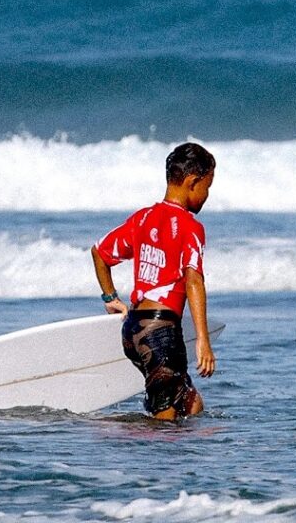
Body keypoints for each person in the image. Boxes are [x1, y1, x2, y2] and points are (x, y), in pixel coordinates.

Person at [91, 142, 217, 420]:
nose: (207, 196)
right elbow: (193, 281)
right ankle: (128, 448)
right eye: (207, 187)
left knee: (191, 404)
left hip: (133, 330)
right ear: (192, 182)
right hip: (160, 332)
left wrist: (110, 298)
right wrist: (203, 341)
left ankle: (143, 441)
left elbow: (99, 252)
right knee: (165, 427)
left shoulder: (142, 218)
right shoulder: (191, 227)